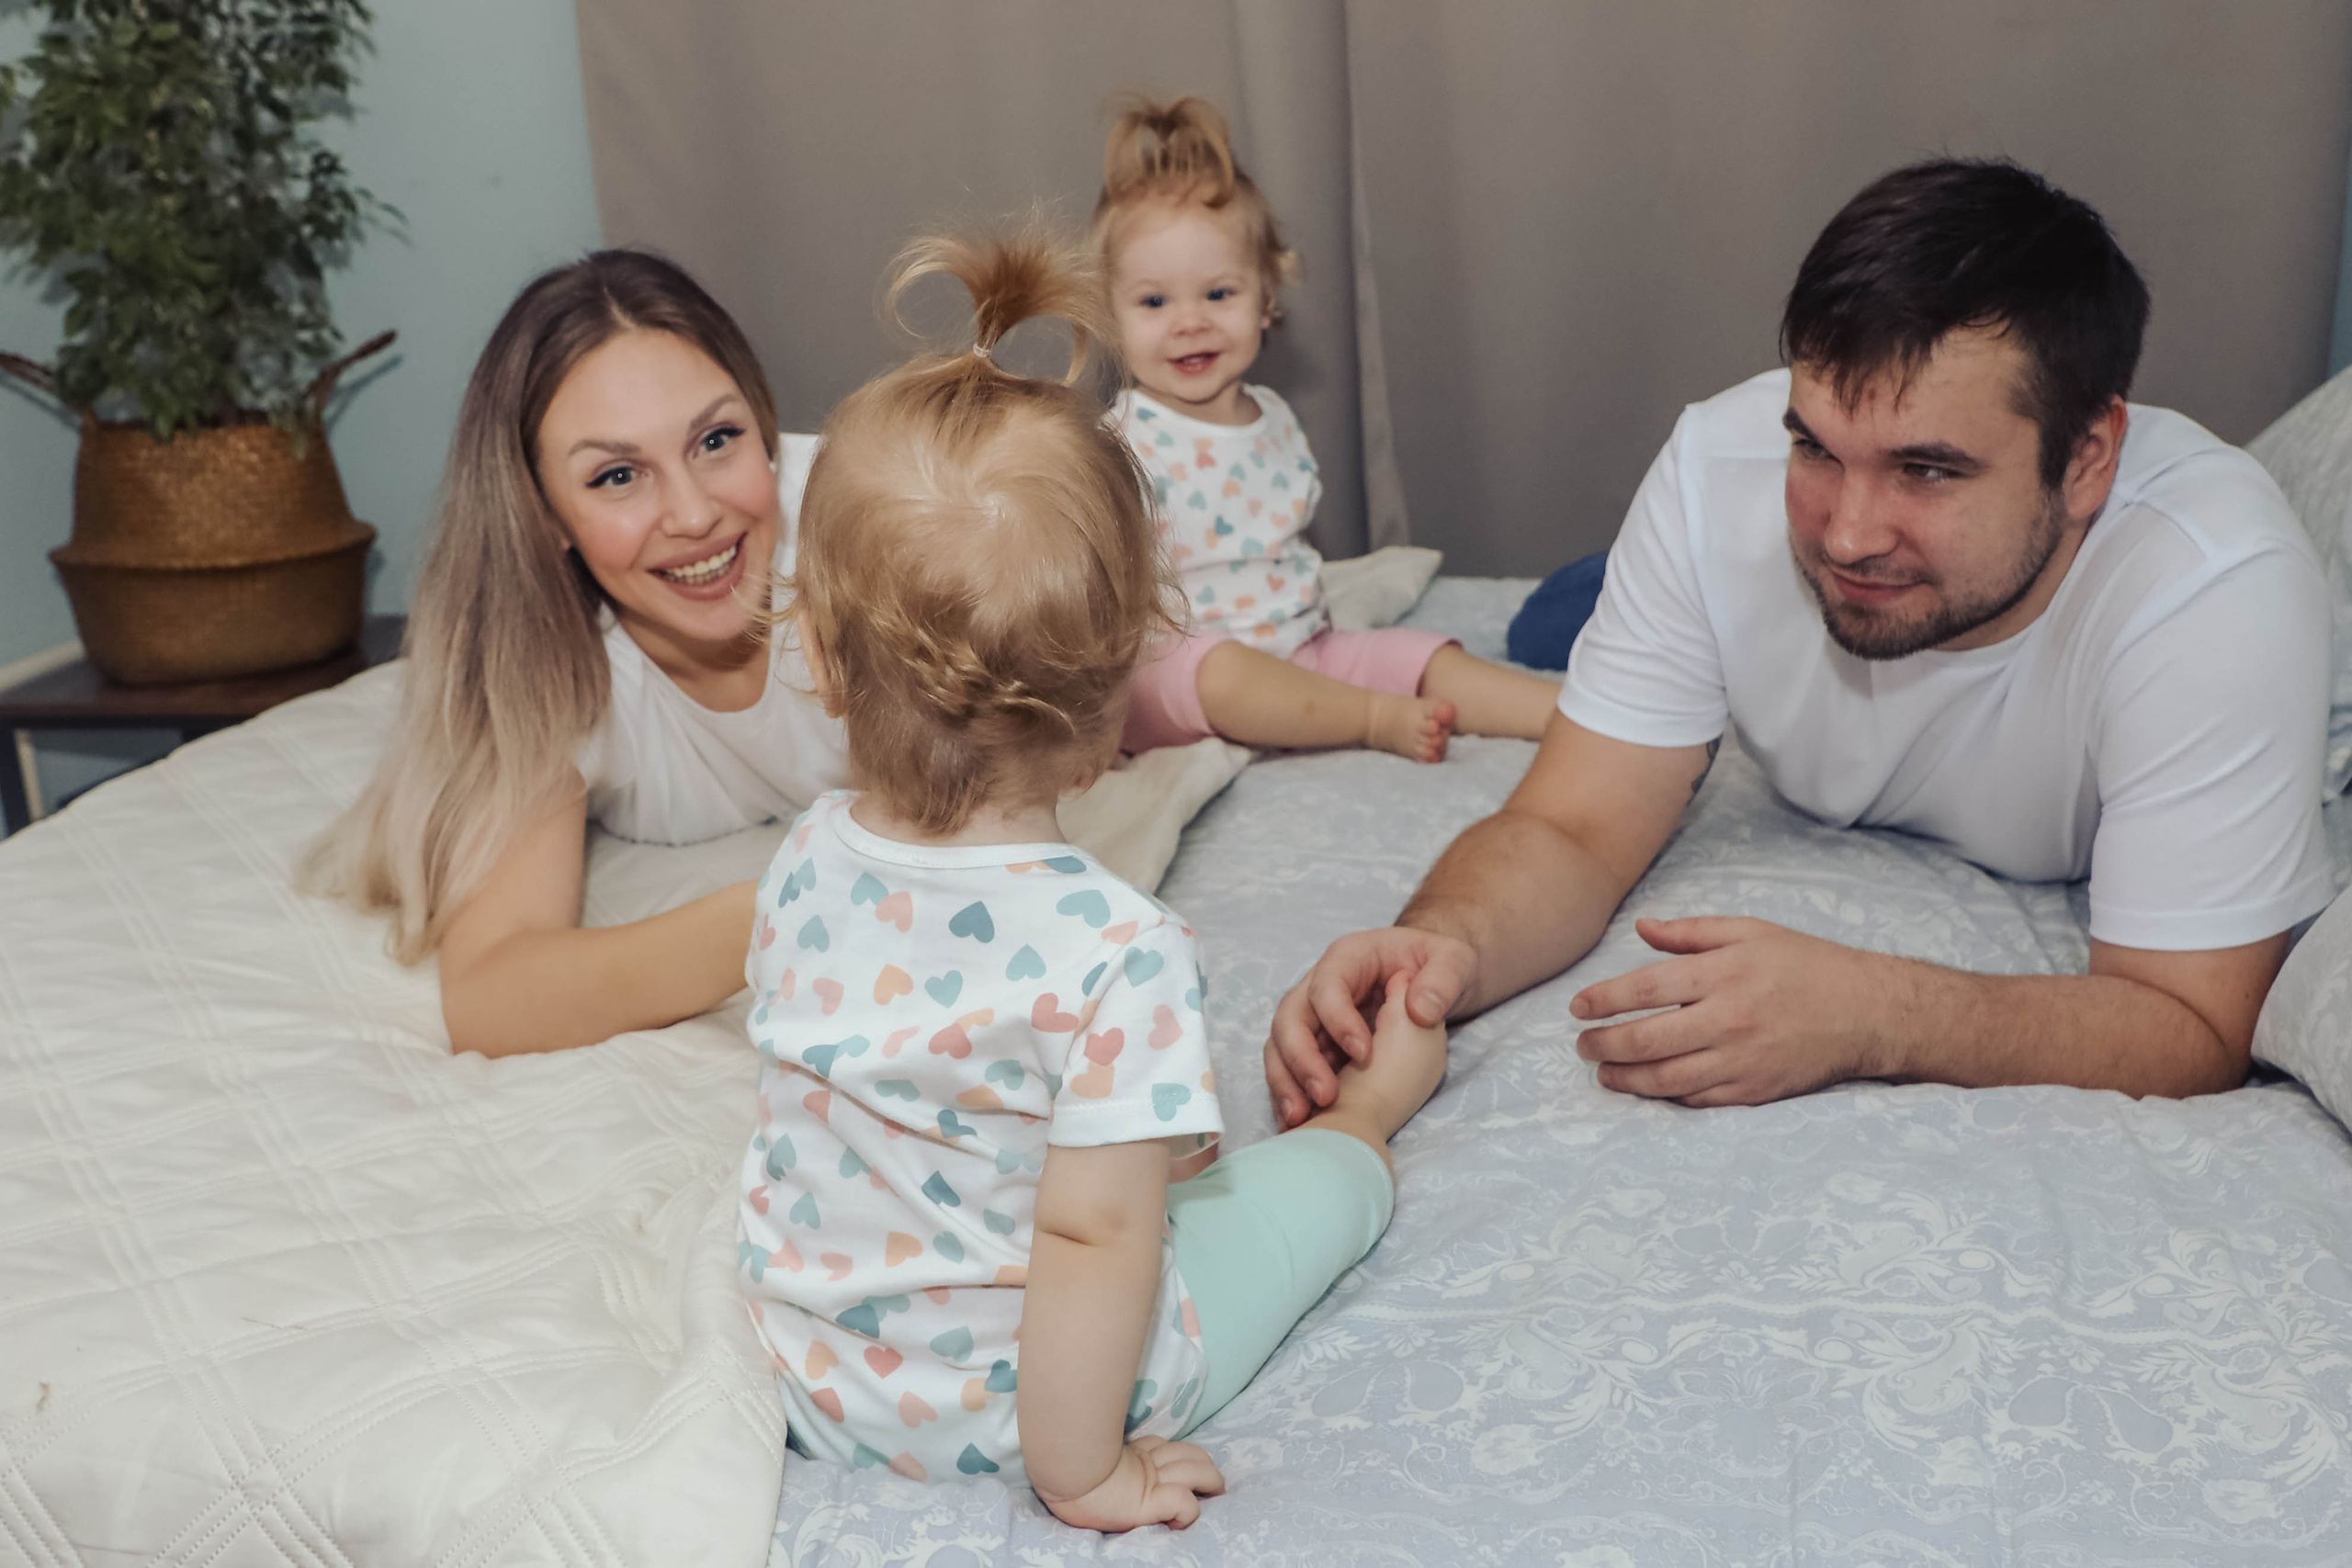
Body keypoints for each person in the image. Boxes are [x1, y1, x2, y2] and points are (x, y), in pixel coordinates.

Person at [1265, 157, 2333, 1123]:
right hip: (1700, 591)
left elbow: (2191, 1025)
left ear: (2090, 457)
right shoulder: (1712, 471)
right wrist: (1439, 947)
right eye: (1814, 447)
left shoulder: (2212, 590)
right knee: (1566, 615)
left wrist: (1877, 1011)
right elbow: (1574, 825)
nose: (1847, 533)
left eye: (1927, 470)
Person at [735, 225, 1448, 1531]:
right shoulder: (1116, 948)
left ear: (824, 665)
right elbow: (1091, 1245)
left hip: (812, 1376)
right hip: (1007, 1413)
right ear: (1128, 676)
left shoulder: (798, 861)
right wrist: (1086, 1470)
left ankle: (1124, 1147)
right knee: (1298, 1188)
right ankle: (1367, 1124)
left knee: (1108, 1158)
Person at [304, 251, 848, 1056]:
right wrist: (772, 917)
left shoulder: (869, 524)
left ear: (765, 432)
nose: (694, 513)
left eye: (717, 439)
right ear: (543, 514)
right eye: (619, 475)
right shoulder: (561, 663)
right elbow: (493, 993)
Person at [1093, 96, 1560, 764]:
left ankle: (1573, 715)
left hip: (1302, 649)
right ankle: (1370, 718)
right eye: (1154, 301)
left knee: (1417, 655)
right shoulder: (1119, 443)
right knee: (1221, 670)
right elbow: (1081, 598)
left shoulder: (1277, 418)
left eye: (1219, 294)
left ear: (1267, 298)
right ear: (1108, 314)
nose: (1189, 321)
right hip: (1176, 676)